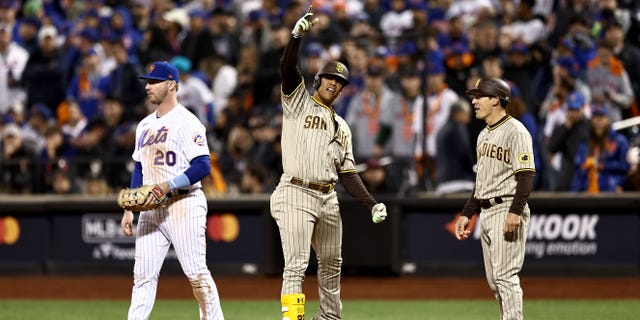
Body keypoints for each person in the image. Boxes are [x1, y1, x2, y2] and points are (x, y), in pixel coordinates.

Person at [271, 8, 387, 320]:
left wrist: (370, 202)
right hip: (295, 191)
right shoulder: (298, 102)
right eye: (330, 79)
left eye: (340, 82)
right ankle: (293, 319)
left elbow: (347, 172)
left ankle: (330, 317)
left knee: (332, 263)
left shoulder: (342, 125)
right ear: (318, 79)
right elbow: (286, 69)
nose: (334, 84)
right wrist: (296, 37)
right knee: (296, 265)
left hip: (328, 197)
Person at [119, 61, 224, 320]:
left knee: (196, 274)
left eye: (154, 81)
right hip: (151, 208)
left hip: (184, 203)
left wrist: (168, 185)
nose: (148, 86)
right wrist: (130, 209)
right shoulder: (143, 125)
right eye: (147, 81)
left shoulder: (188, 122)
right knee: (142, 277)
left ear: (172, 85)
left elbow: (202, 165)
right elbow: (139, 168)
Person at [454, 78, 536, 320]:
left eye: (480, 96)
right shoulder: (483, 135)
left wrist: (515, 210)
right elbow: (481, 181)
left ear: (496, 99)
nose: (474, 101)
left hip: (507, 206)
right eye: (474, 96)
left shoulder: (516, 131)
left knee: (505, 277)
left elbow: (526, 174)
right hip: (487, 210)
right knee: (494, 282)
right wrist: (468, 213)